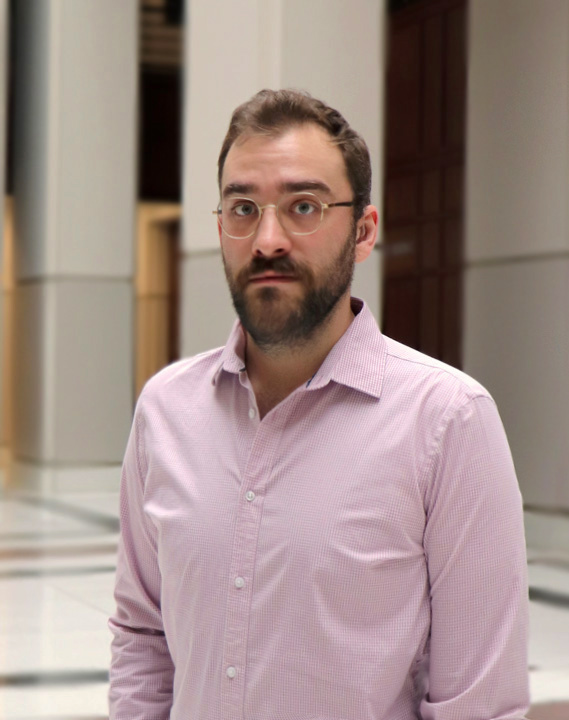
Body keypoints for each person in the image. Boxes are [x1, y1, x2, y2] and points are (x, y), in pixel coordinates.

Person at [109, 89, 530, 720]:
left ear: (363, 232)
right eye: (243, 208)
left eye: (303, 206)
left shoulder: (448, 419)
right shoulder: (166, 410)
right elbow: (144, 639)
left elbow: (481, 704)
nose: (267, 238)